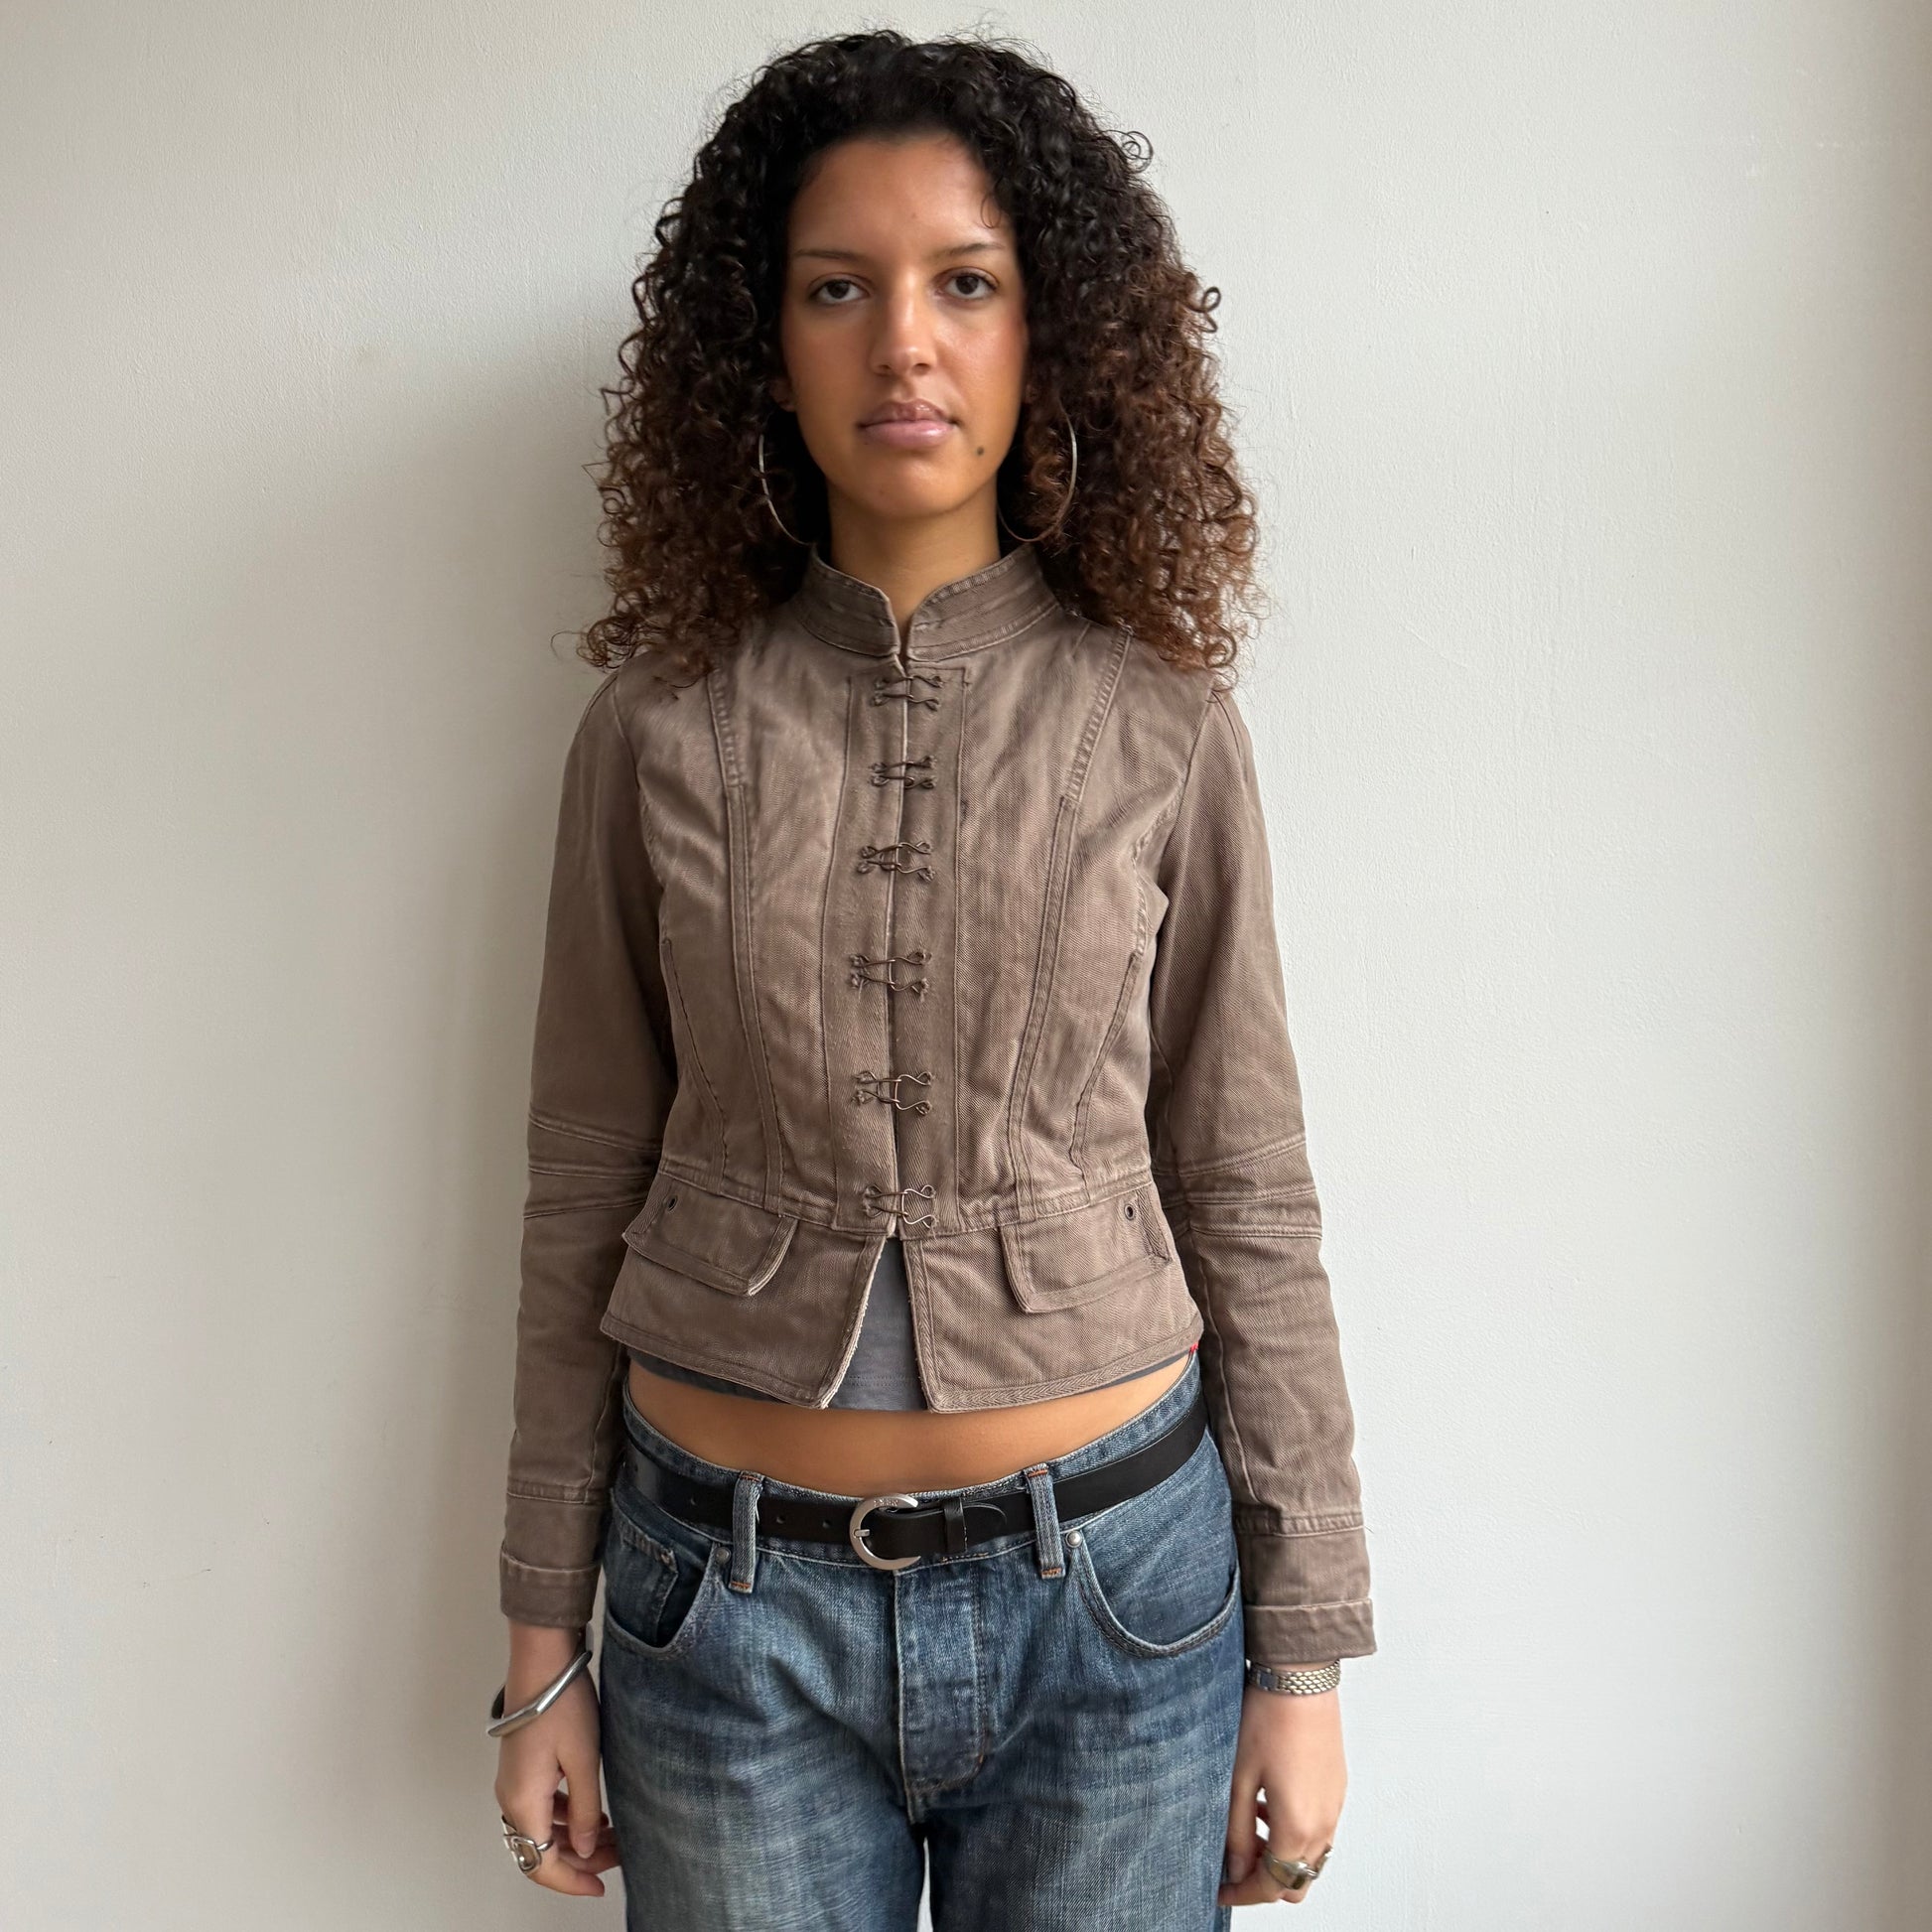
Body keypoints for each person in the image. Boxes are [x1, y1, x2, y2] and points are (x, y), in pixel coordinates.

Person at [487, 30, 1374, 1927]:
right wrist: (539, 1638)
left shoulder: (1161, 724)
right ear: (763, 345)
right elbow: (583, 1178)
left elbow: (1242, 1182)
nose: (904, 342)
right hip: (719, 1617)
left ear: (1051, 333)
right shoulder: (654, 726)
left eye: (965, 283)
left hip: (1120, 1611)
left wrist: (1300, 1655)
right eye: (839, 289)